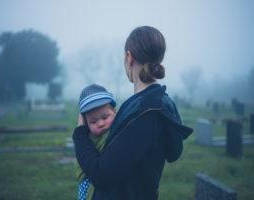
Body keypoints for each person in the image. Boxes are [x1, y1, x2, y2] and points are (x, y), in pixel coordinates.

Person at [73, 26, 193, 200]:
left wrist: (80, 135)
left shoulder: (145, 112)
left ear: (129, 57)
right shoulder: (161, 102)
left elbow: (102, 176)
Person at [74, 84, 116, 200]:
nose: (100, 123)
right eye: (93, 121)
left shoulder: (117, 134)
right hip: (86, 183)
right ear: (85, 123)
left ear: (115, 111)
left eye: (105, 117)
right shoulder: (86, 138)